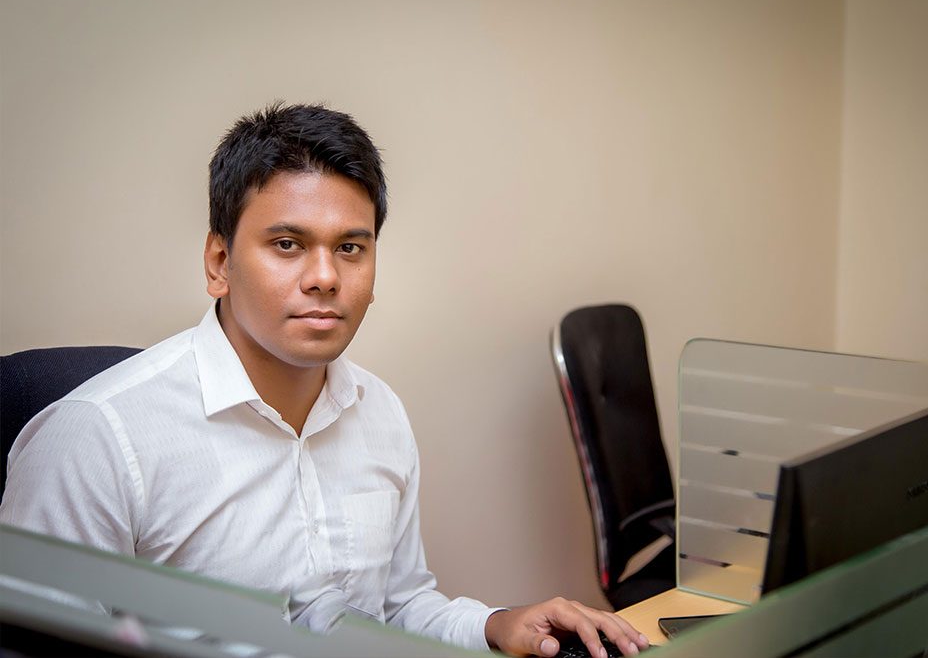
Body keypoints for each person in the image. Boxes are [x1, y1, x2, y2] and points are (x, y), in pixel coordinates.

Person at [0, 103, 649, 658]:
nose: (325, 277)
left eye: (350, 248)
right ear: (219, 262)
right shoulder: (98, 437)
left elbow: (394, 608)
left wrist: (495, 625)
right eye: (287, 244)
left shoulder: (379, 410)